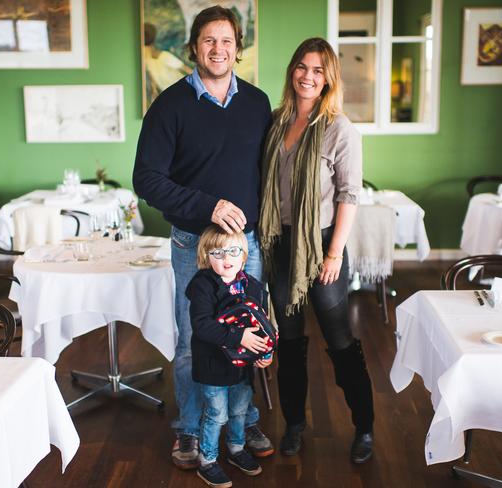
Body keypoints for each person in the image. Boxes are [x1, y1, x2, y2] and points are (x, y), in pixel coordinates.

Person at [133, 5, 273, 470]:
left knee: (246, 332)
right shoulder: (169, 105)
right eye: (209, 40)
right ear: (194, 47)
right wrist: (208, 206)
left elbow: (266, 175)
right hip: (193, 246)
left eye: (227, 40)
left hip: (246, 246)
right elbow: (147, 180)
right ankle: (191, 429)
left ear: (238, 47)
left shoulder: (256, 103)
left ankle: (242, 420)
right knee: (196, 339)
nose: (219, 49)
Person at [259, 37, 375, 463]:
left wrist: (334, 254)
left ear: (329, 79)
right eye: (302, 67)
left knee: (339, 339)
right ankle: (293, 425)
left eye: (318, 70)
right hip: (281, 243)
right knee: (289, 342)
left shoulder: (339, 129)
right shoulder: (276, 121)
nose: (309, 76)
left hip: (322, 244)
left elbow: (349, 194)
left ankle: (364, 426)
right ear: (293, 71)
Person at [186, 225, 272, 487]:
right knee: (217, 414)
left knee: (239, 411)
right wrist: (239, 337)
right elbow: (202, 326)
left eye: (233, 251)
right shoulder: (202, 285)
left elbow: (262, 324)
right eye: (218, 253)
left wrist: (265, 353)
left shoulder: (253, 286)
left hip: (242, 368)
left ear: (244, 255)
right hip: (212, 366)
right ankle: (208, 460)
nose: (227, 259)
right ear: (206, 256)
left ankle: (236, 450)